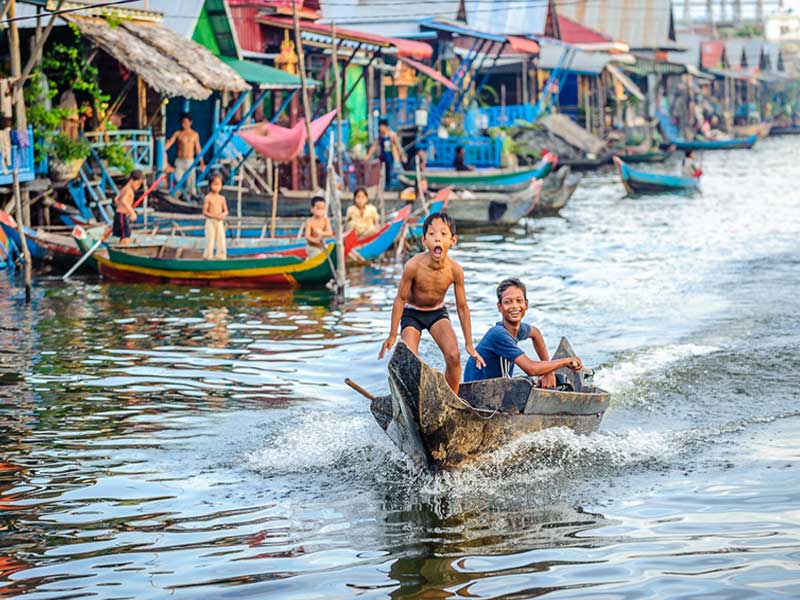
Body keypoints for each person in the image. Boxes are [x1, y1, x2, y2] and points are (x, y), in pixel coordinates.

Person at [379, 212, 484, 393]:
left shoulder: (455, 270)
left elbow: (462, 307)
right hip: (411, 313)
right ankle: (410, 397)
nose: (437, 239)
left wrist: (469, 344)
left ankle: (451, 398)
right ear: (424, 240)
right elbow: (400, 300)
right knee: (409, 360)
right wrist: (392, 334)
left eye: (443, 234)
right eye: (432, 234)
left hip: (437, 313)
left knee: (453, 356)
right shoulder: (413, 266)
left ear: (453, 240)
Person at [464, 278, 583, 387]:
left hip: (499, 387)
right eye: (508, 302)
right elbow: (531, 369)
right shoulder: (499, 334)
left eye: (519, 301)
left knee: (553, 381)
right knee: (531, 383)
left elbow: (536, 333)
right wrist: (566, 361)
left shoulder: (517, 328)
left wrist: (549, 372)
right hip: (479, 392)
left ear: (526, 305)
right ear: (499, 307)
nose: (514, 306)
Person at [165, 113, 204, 199]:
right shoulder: (178, 133)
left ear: (190, 122)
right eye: (183, 122)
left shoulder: (194, 134)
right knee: (176, 178)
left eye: (186, 122)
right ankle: (175, 195)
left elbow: (198, 149)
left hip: (190, 160)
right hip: (179, 160)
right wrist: (163, 149)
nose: (184, 124)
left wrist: (202, 163)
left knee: (191, 180)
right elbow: (170, 142)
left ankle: (191, 196)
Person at [366, 118, 406, 190]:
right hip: (383, 157)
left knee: (392, 173)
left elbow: (398, 146)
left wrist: (402, 155)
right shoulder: (380, 136)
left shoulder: (392, 135)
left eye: (381, 126)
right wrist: (368, 155)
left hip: (391, 157)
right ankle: (384, 187)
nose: (380, 128)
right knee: (382, 173)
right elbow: (374, 146)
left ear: (385, 126)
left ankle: (391, 187)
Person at [112, 170, 144, 245]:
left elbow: (116, 199)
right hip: (121, 215)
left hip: (119, 215)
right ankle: (123, 251)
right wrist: (132, 212)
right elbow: (124, 200)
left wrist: (121, 208)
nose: (138, 186)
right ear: (132, 180)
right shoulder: (129, 190)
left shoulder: (124, 188)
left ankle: (121, 249)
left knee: (124, 234)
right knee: (126, 235)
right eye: (138, 184)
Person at [202, 173, 229, 260]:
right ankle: (208, 256)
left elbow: (226, 211)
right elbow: (204, 212)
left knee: (221, 239)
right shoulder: (208, 197)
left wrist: (222, 215)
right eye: (215, 184)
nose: (217, 187)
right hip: (210, 221)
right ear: (210, 185)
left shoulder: (222, 198)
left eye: (219, 184)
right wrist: (214, 216)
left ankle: (221, 256)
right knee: (210, 239)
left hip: (219, 221)